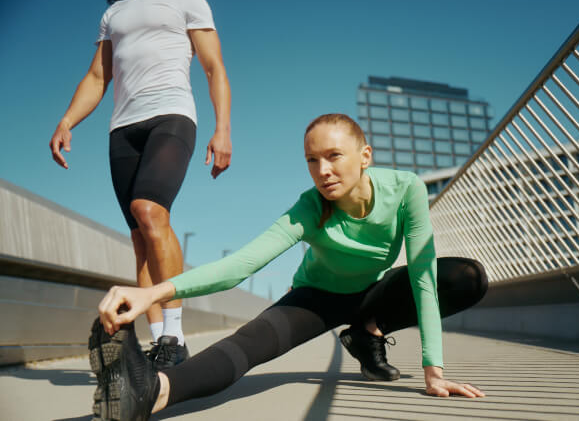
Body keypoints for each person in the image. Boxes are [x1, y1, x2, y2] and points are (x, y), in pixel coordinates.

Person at [90, 114, 487, 420]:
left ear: (365, 156)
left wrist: (433, 370)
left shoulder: (406, 190)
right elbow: (240, 265)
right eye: (312, 160)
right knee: (251, 344)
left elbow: (422, 275)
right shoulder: (309, 207)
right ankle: (149, 393)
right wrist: (152, 293)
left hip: (375, 291)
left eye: (334, 156)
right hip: (317, 299)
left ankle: (369, 332)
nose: (322, 171)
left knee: (465, 277)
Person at [49, 0, 231, 370]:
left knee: (148, 211)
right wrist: (67, 120)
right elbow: (99, 76)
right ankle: (159, 341)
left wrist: (223, 130)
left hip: (172, 116)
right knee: (139, 237)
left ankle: (175, 336)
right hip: (123, 129)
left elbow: (213, 67)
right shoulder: (112, 13)